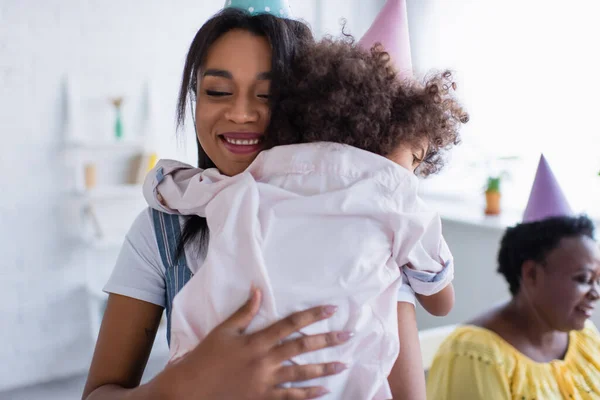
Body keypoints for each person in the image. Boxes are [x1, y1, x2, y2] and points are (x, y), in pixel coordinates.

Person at [81, 2, 429, 399]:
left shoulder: (370, 223)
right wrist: (184, 384)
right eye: (218, 91)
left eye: (267, 95)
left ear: (315, 106)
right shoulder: (162, 230)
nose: (241, 113)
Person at [143, 33, 465, 398]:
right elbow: (441, 302)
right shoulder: (398, 197)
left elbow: (186, 188)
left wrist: (160, 182)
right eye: (417, 158)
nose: (414, 173)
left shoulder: (259, 173)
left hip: (217, 363)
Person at [426, 155, 600, 399]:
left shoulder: (584, 337)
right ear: (531, 273)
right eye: (583, 278)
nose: (596, 293)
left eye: (598, 280)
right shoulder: (475, 356)